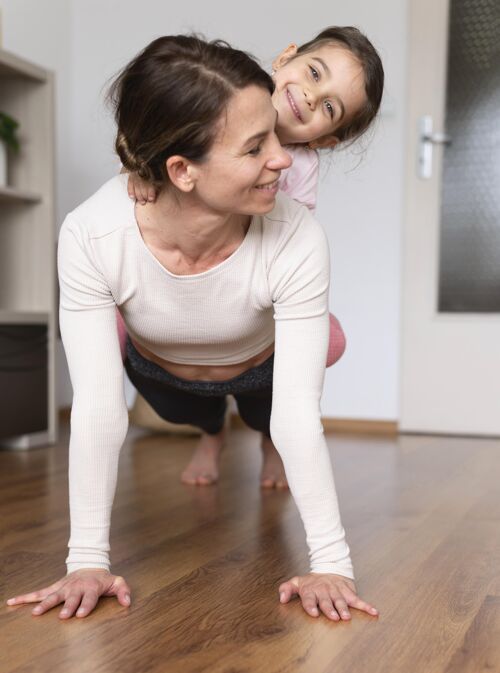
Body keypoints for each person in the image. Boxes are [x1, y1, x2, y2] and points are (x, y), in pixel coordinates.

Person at [6, 35, 379, 622]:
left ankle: (254, 439)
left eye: (276, 140)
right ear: (179, 170)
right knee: (182, 406)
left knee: (271, 415)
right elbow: (100, 409)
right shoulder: (91, 235)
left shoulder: (297, 236)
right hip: (163, 372)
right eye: (256, 147)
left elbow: (297, 415)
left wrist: (332, 564)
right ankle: (211, 428)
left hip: (259, 366)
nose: (281, 159)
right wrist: (86, 560)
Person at [123, 26, 384, 488]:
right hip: (185, 289)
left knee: (292, 369)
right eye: (314, 72)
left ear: (327, 139)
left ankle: (270, 439)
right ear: (284, 57)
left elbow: (290, 244)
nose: (309, 95)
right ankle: (212, 431)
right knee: (178, 398)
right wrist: (139, 167)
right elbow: (154, 131)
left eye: (328, 107)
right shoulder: (219, 101)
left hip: (248, 299)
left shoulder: (298, 169)